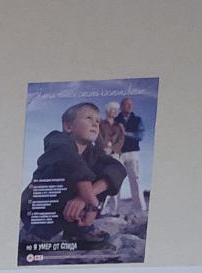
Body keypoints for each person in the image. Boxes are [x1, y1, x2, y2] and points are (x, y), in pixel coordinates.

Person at [22, 101, 124, 246]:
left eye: (97, 121)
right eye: (88, 118)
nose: (95, 124)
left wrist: (85, 198)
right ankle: (34, 232)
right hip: (39, 211)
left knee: (107, 171)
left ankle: (79, 230)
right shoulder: (57, 139)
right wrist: (87, 192)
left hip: (72, 211)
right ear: (68, 126)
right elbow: (68, 156)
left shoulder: (94, 153)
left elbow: (118, 168)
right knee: (70, 164)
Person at [116, 95, 145, 215]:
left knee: (135, 179)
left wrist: (125, 133)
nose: (129, 107)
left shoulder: (137, 120)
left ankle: (140, 209)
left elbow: (140, 136)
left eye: (130, 105)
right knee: (115, 180)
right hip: (118, 153)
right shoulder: (115, 120)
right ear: (121, 106)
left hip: (133, 153)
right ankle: (114, 210)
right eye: (126, 104)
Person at [97, 102, 126, 215]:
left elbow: (121, 140)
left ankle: (114, 210)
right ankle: (100, 210)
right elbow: (98, 137)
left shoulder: (119, 126)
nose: (115, 112)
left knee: (116, 181)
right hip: (103, 154)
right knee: (103, 181)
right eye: (113, 109)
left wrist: (112, 149)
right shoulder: (100, 123)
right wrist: (104, 147)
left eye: (116, 110)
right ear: (108, 111)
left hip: (116, 155)